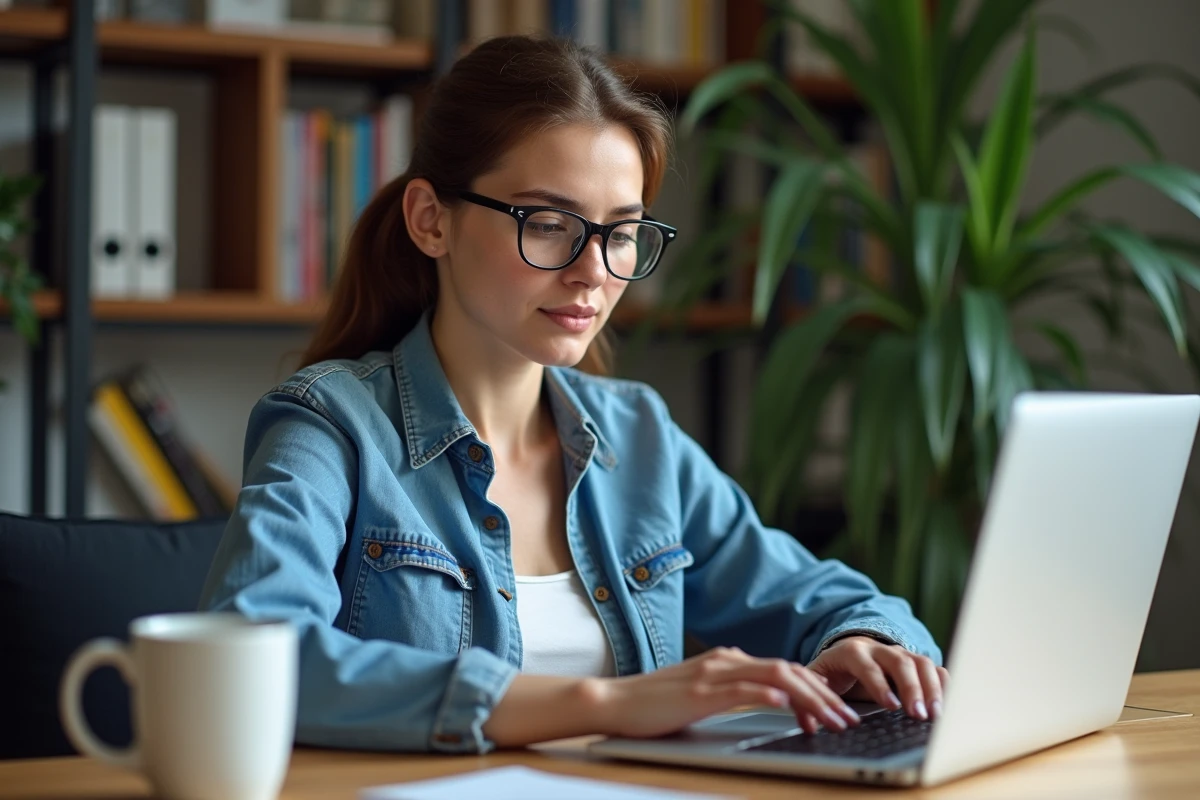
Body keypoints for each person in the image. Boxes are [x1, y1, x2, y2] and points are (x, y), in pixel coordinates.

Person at [199, 35, 946, 755]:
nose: (594, 271)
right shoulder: (330, 425)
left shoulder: (639, 436)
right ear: (432, 220)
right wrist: (604, 704)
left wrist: (867, 644)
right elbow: (255, 658)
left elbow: (825, 596)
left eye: (621, 234)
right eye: (550, 224)